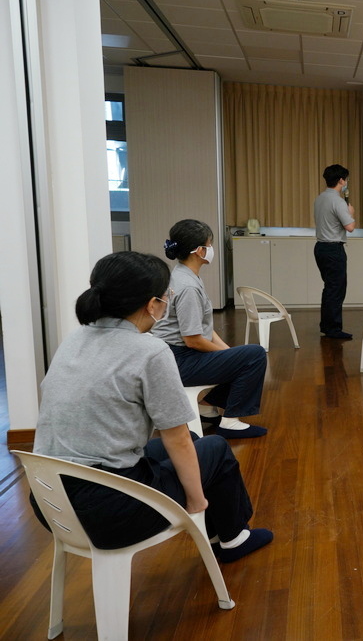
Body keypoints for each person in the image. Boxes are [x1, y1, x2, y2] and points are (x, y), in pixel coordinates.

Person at [30, 251, 272, 561]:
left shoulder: (75, 339)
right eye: (165, 297)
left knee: (197, 443)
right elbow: (177, 438)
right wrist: (196, 502)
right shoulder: (150, 350)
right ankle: (234, 538)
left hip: (50, 503)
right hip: (106, 514)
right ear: (151, 304)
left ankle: (220, 533)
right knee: (214, 448)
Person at [152, 219, 268, 439]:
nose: (211, 250)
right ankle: (231, 422)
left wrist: (229, 352)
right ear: (198, 251)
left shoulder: (182, 275)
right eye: (209, 245)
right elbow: (193, 340)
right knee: (255, 354)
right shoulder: (187, 287)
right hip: (180, 359)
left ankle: (206, 406)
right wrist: (230, 355)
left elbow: (204, 326)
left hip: (174, 355)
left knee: (241, 356)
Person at [314, 163, 356, 339]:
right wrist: (351, 212)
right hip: (333, 249)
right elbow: (350, 226)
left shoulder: (320, 198)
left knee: (330, 288)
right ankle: (333, 329)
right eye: (345, 179)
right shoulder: (337, 201)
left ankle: (327, 325)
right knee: (336, 289)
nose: (346, 182)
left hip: (321, 248)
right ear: (341, 180)